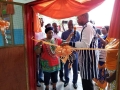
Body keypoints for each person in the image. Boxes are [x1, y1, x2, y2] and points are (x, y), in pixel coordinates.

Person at [63, 13, 99, 90]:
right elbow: (84, 45)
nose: (77, 20)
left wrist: (69, 43)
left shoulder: (88, 27)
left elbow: (85, 45)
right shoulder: (86, 27)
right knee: (86, 83)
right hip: (86, 62)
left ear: (84, 16)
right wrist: (77, 48)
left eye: (78, 18)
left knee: (87, 85)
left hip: (88, 62)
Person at [61, 20, 80, 89]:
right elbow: (62, 44)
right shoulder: (64, 33)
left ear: (73, 25)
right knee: (66, 69)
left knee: (75, 69)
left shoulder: (77, 33)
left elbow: (80, 43)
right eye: (69, 24)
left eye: (71, 24)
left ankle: (74, 82)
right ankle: (66, 80)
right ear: (67, 25)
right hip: (66, 55)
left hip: (75, 54)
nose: (70, 26)